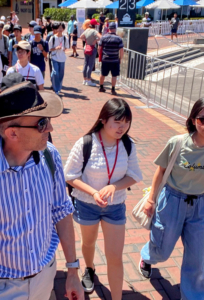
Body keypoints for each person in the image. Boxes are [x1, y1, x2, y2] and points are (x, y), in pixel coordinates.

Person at [0, 79, 84, 300]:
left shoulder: (50, 156)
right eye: (41, 124)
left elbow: (62, 212)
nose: (50, 128)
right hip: (0, 288)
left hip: (45, 276)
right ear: (12, 134)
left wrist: (73, 269)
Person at [64, 98, 142, 297]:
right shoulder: (86, 142)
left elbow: (134, 175)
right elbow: (70, 175)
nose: (122, 127)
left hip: (115, 206)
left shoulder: (128, 144)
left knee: (115, 257)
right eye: (117, 121)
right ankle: (89, 269)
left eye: (126, 122)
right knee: (88, 243)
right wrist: (94, 192)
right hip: (87, 203)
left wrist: (114, 187)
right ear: (103, 120)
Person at [139, 97, 204, 300]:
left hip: (200, 204)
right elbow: (160, 172)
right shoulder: (177, 143)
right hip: (172, 200)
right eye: (202, 119)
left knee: (197, 256)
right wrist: (151, 199)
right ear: (193, 120)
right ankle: (147, 256)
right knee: (162, 250)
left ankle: (194, 295)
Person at [98, 22, 124, 95]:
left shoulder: (103, 37)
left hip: (105, 59)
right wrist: (120, 59)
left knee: (103, 73)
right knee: (114, 75)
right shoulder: (118, 38)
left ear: (109, 28)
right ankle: (112, 89)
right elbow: (121, 50)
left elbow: (99, 48)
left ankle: (101, 87)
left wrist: (100, 56)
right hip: (115, 59)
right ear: (115, 29)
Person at [48, 22, 69, 95]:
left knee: (61, 74)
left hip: (62, 58)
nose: (60, 29)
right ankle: (56, 89)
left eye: (61, 28)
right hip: (54, 57)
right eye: (59, 28)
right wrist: (56, 48)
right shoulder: (53, 38)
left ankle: (58, 86)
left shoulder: (65, 38)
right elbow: (50, 48)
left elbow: (67, 47)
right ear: (56, 29)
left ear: (63, 29)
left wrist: (63, 48)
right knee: (55, 73)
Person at [80, 19, 101, 86]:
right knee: (90, 64)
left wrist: (86, 40)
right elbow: (101, 37)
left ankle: (84, 79)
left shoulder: (86, 30)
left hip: (86, 48)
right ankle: (89, 80)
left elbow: (81, 37)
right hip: (92, 48)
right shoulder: (94, 31)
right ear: (95, 25)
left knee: (85, 63)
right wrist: (95, 40)